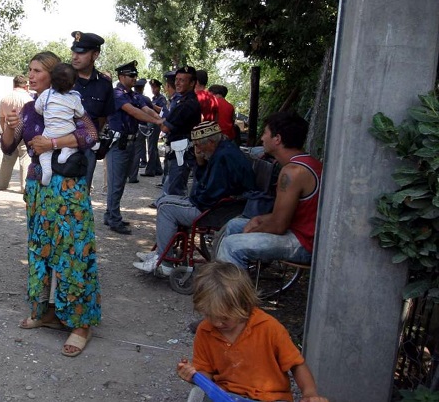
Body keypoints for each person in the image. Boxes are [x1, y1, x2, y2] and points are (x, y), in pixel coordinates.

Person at [1, 51, 101, 357]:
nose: (31, 76)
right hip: (39, 190)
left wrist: (54, 143)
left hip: (68, 188)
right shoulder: (30, 108)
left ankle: (80, 323)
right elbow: (9, 147)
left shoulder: (70, 101)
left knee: (73, 251)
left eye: (37, 71)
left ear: (53, 74)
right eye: (28, 70)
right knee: (41, 252)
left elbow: (91, 134)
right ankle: (47, 312)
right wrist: (9, 124)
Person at [177, 263, 327, 402]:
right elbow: (206, 373)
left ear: (244, 305)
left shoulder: (269, 327)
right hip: (228, 396)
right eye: (210, 316)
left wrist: (310, 393)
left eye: (224, 318)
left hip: (272, 398)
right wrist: (194, 376)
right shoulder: (205, 330)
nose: (217, 323)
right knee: (197, 395)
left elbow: (296, 364)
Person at [134, 121, 254, 274]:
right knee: (164, 200)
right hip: (219, 204)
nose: (197, 149)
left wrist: (193, 199)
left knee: (165, 208)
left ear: (210, 142)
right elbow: (207, 186)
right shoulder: (224, 150)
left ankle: (165, 262)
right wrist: (200, 163)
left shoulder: (223, 157)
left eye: (199, 145)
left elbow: (208, 193)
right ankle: (162, 253)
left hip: (219, 209)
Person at [216, 112, 322, 269]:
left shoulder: (293, 172)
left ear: (277, 139)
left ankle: (231, 293)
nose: (262, 138)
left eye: (265, 133)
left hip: (304, 243)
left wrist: (254, 230)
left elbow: (278, 226)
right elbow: (282, 216)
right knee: (234, 225)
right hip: (297, 231)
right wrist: (260, 219)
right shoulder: (307, 162)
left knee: (231, 245)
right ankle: (237, 278)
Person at [103, 61, 164, 234]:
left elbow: (146, 108)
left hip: (129, 142)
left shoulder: (133, 95)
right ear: (121, 76)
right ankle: (114, 219)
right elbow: (133, 112)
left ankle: (110, 214)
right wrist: (157, 121)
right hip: (119, 143)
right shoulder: (117, 94)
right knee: (116, 183)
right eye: (131, 75)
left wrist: (159, 118)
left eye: (135, 75)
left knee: (120, 182)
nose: (134, 78)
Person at [69, 31, 115, 188]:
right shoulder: (62, 77)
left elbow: (103, 118)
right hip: (59, 147)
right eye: (74, 51)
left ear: (95, 55)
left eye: (81, 53)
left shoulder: (104, 84)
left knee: (81, 196)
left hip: (87, 150)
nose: (75, 56)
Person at [35, 63, 85, 186]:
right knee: (72, 141)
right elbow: (80, 113)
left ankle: (47, 171)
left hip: (50, 132)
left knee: (45, 152)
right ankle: (67, 150)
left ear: (51, 80)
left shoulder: (46, 94)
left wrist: (46, 112)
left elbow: (38, 108)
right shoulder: (74, 98)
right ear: (73, 85)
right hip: (68, 131)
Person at [159, 66, 203, 197]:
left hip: (181, 154)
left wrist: (154, 118)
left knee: (175, 192)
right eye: (176, 79)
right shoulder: (182, 100)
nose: (177, 83)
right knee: (174, 188)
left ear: (192, 83)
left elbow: (165, 127)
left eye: (182, 80)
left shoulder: (187, 104)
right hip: (179, 152)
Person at [0, 75, 32, 193]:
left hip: (9, 131)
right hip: (24, 132)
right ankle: (23, 186)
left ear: (14, 84)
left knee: (7, 158)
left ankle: (3, 184)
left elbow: (2, 118)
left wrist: (4, 132)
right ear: (25, 85)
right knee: (24, 157)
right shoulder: (29, 99)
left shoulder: (5, 98)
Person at [141, 79, 167, 177]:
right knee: (153, 146)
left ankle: (150, 170)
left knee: (152, 146)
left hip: (156, 124)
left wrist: (152, 105)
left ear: (159, 88)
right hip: (151, 123)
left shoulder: (161, 98)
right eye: (152, 87)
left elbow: (163, 110)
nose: (153, 89)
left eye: (155, 87)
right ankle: (158, 168)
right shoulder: (154, 98)